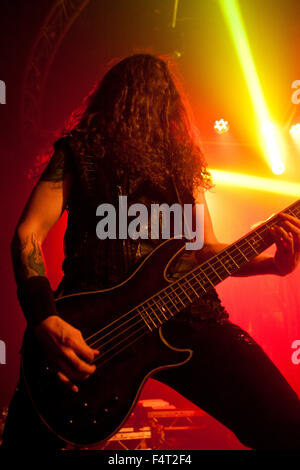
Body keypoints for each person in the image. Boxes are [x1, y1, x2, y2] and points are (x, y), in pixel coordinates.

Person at [2, 54, 300, 450]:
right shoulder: (79, 153)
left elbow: (205, 250)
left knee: (287, 425)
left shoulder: (184, 167)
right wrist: (44, 318)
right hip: (92, 325)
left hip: (188, 315)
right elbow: (28, 234)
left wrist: (273, 266)